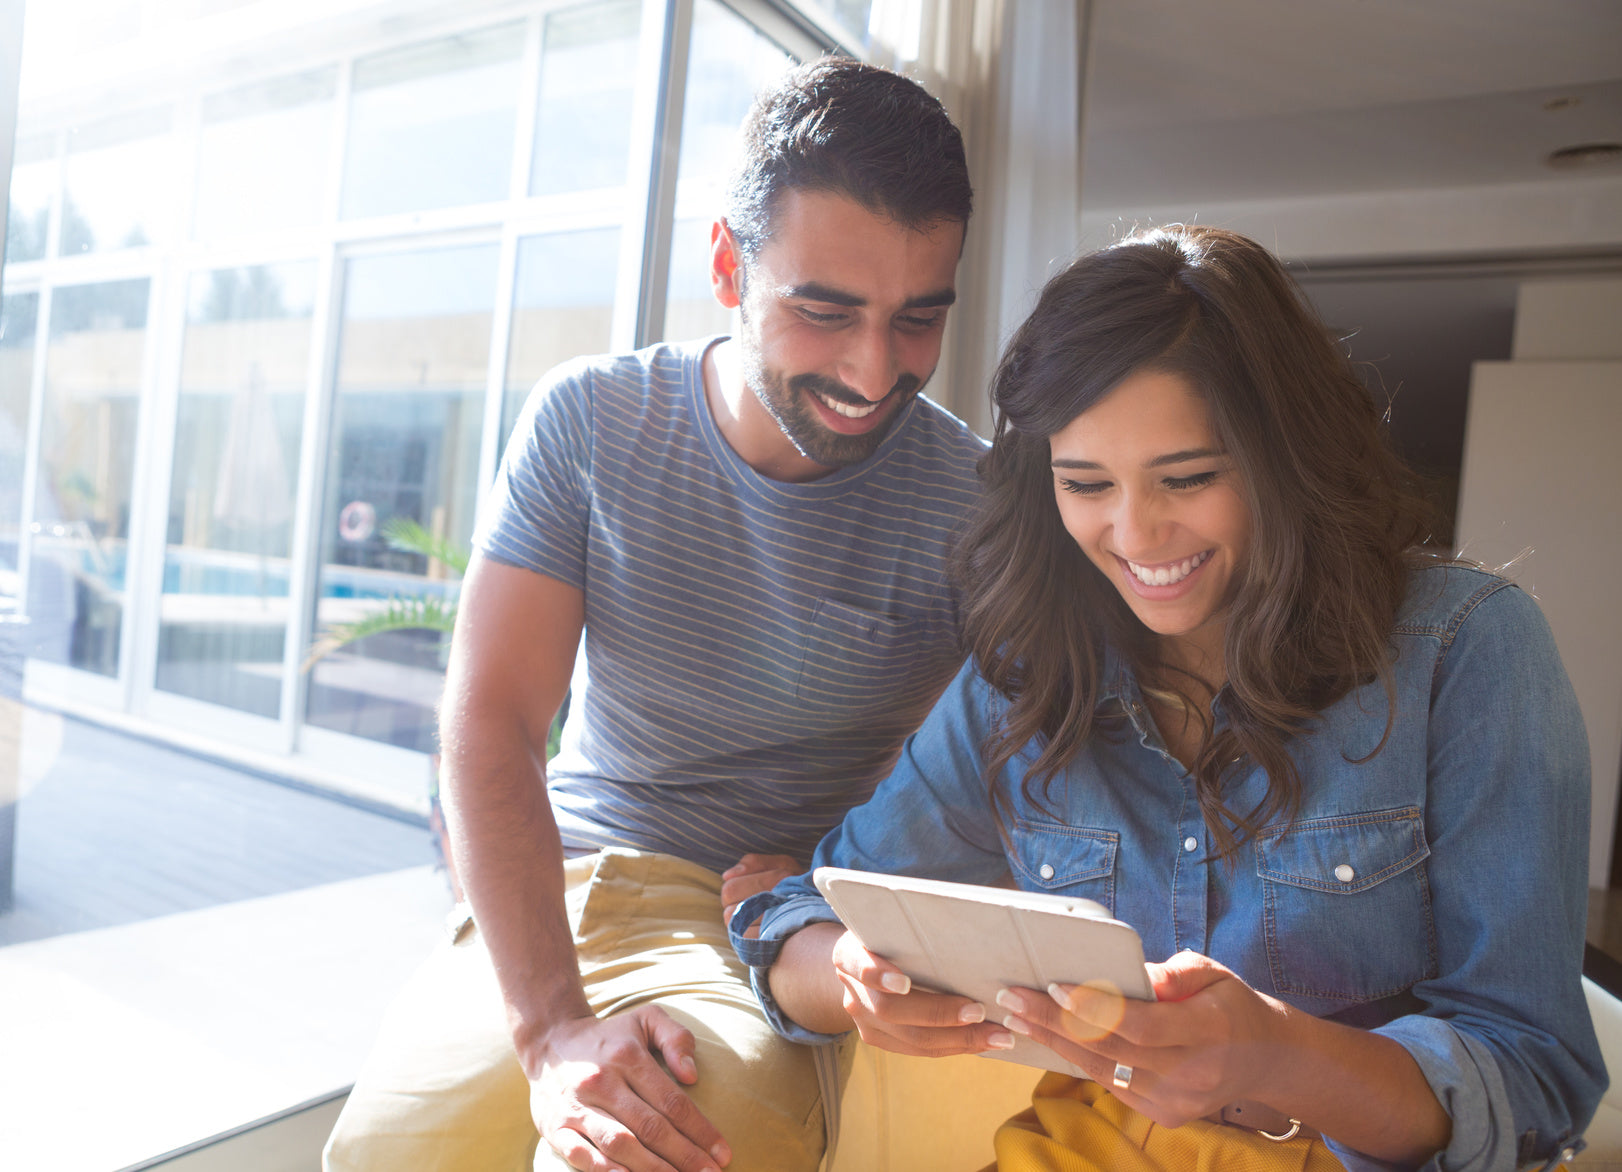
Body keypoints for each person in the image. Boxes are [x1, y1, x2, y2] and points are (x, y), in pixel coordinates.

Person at [736, 224, 1607, 1172]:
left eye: (1186, 477)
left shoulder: (1469, 651)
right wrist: (852, 978)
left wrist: (1279, 1055)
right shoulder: (1030, 674)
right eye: (1086, 484)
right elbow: (798, 916)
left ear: (1286, 457)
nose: (1136, 533)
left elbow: (1534, 1083)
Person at [323, 58, 986, 1172]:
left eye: (916, 319)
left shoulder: (973, 499)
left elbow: (1013, 765)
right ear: (727, 263)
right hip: (568, 882)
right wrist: (548, 1034)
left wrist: (837, 900)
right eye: (824, 312)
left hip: (756, 926)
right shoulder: (591, 420)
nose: (874, 371)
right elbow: (490, 722)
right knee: (384, 1153)